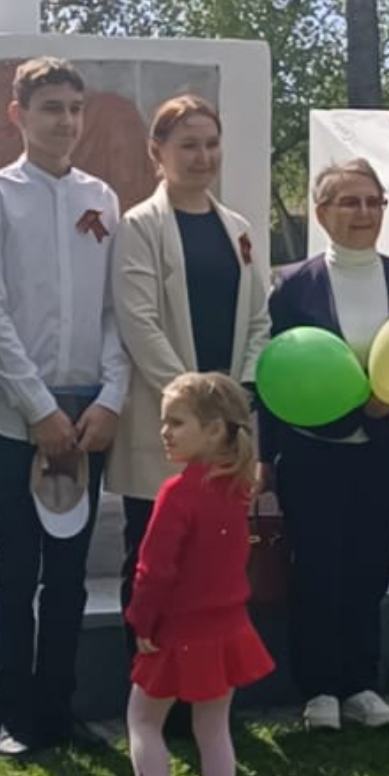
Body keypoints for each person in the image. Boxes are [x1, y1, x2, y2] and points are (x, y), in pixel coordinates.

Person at [0, 57, 129, 757]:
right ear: (19, 115)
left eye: (73, 108)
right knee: (17, 569)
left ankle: (59, 706)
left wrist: (113, 396)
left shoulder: (104, 198)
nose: (64, 121)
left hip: (86, 414)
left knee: (68, 571)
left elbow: (116, 310)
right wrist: (36, 407)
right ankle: (15, 710)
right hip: (18, 417)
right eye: (50, 107)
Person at [261, 156, 389, 728]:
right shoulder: (291, 286)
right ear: (322, 211)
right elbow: (275, 374)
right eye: (348, 201)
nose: (362, 213)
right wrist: (264, 458)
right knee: (314, 566)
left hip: (381, 446)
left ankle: (361, 682)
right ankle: (317, 691)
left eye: (372, 202)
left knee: (368, 565)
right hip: (311, 450)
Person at [105, 371, 271, 776]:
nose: (165, 432)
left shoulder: (177, 493)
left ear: (216, 430)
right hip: (226, 627)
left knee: (142, 720)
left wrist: (142, 620)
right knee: (213, 727)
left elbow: (153, 569)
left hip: (176, 630)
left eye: (176, 422)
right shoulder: (237, 489)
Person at [112, 92, 269, 576]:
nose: (203, 157)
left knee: (215, 565)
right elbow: (138, 321)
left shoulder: (237, 228)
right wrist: (194, 404)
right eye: (188, 146)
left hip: (225, 426)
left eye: (211, 144)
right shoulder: (139, 227)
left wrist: (239, 393)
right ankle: (147, 652)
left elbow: (260, 316)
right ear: (157, 152)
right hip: (172, 420)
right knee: (153, 560)